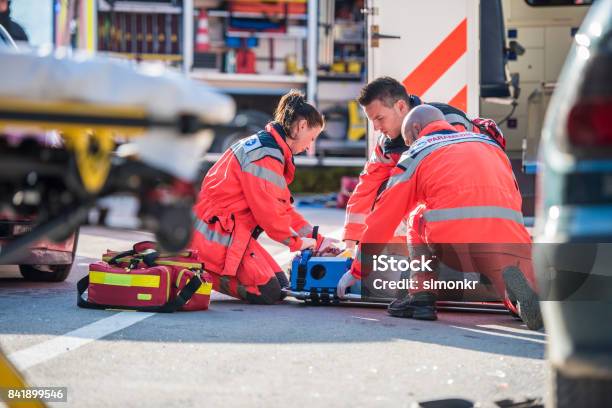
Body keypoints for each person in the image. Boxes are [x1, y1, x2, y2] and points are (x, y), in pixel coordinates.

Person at [338, 105, 542, 330]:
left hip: (455, 245)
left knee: (416, 215)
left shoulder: (418, 152)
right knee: (503, 272)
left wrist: (358, 270)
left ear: (416, 129)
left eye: (408, 140)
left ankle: (421, 297)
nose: (409, 145)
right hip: (508, 241)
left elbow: (383, 218)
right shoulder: (489, 145)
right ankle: (517, 301)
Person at [191, 90, 338, 305]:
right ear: (301, 126)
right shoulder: (265, 156)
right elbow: (269, 215)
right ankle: (203, 269)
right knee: (269, 292)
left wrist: (318, 240)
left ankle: (207, 265)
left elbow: (283, 209)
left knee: (281, 285)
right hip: (215, 236)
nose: (309, 147)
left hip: (227, 232)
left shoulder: (269, 149)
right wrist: (297, 242)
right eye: (312, 138)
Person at [342, 77, 504, 254]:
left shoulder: (450, 123)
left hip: (475, 206)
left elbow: (458, 184)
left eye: (380, 118)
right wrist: (350, 242)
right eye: (372, 120)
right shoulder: (386, 144)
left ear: (401, 106)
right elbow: (367, 186)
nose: (375, 127)